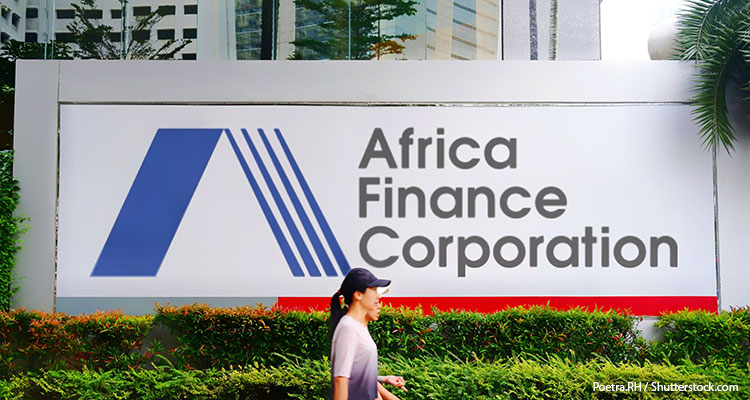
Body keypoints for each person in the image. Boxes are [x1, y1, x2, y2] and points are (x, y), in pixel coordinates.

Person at [329, 268, 408, 400]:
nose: (378, 296)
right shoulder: (349, 328)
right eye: (374, 290)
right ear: (358, 294)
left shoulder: (359, 327)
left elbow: (359, 375)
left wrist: (385, 379)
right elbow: (340, 379)